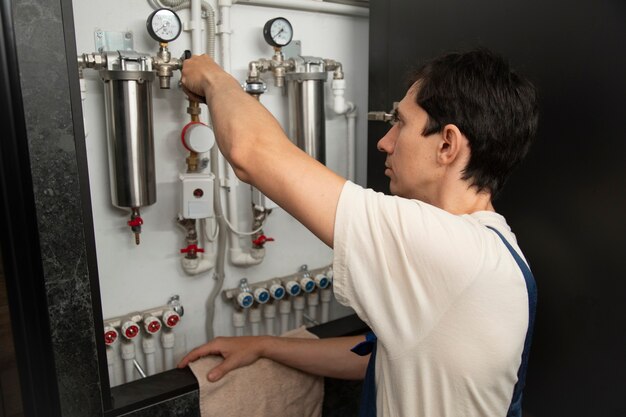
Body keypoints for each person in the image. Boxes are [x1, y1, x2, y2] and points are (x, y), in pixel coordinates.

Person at [178, 48, 539, 417]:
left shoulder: (451, 250)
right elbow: (383, 361)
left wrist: (211, 77)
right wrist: (267, 346)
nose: (385, 142)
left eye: (400, 123)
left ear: (447, 144)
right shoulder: (492, 250)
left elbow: (251, 152)